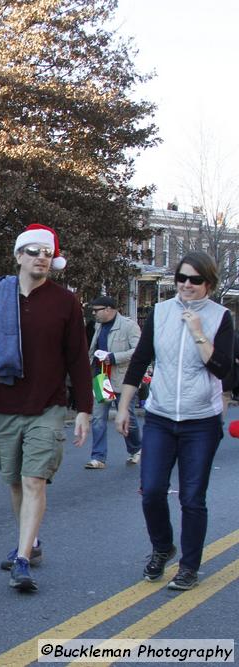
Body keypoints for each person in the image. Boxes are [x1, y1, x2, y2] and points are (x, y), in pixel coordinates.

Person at [0, 224, 92, 593]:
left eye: (46, 253)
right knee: (15, 482)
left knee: (34, 480)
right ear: (18, 256)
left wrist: (84, 408)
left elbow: (78, 358)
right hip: (4, 402)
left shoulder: (66, 303)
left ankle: (21, 558)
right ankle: (29, 544)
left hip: (48, 405)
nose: (41, 258)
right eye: (33, 251)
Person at [115, 250, 234, 591]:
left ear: (207, 283)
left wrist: (198, 333)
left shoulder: (220, 317)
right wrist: (124, 406)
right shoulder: (161, 312)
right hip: (161, 416)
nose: (186, 285)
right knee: (151, 491)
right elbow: (140, 361)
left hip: (200, 422)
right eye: (181, 278)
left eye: (194, 280)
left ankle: (189, 567)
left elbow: (223, 369)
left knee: (192, 498)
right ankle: (163, 546)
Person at [85, 295, 142, 469]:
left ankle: (136, 449)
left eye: (97, 310)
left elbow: (139, 350)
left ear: (109, 309)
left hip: (124, 380)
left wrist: (114, 357)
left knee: (127, 416)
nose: (94, 314)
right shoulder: (98, 326)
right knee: (98, 418)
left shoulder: (129, 326)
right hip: (102, 378)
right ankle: (98, 457)